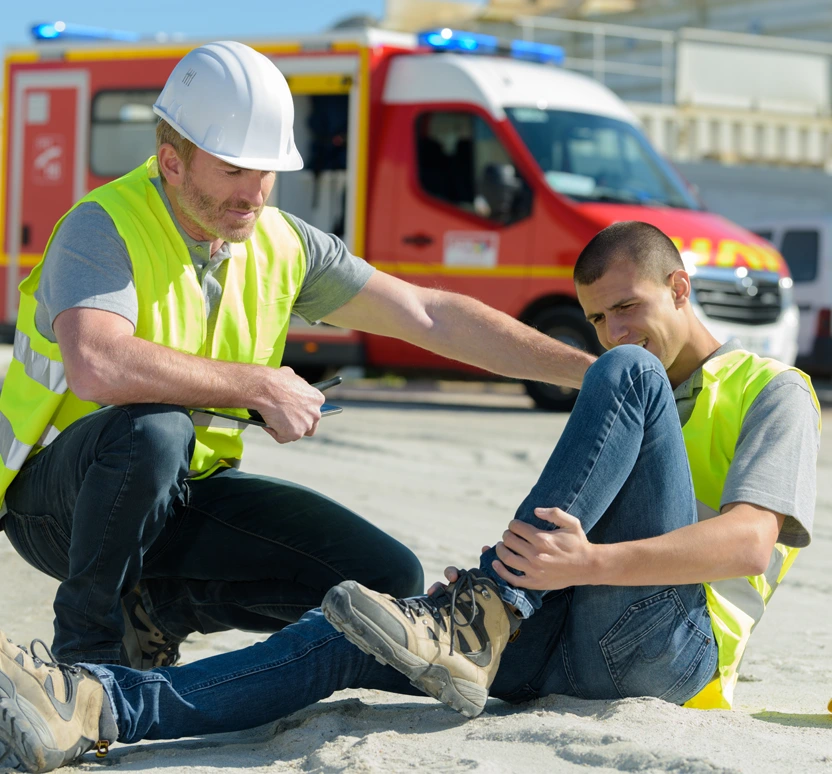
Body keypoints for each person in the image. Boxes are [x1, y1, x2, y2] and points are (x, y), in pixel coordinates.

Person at [0, 221, 819, 773]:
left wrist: (586, 561)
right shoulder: (622, 378)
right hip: (571, 630)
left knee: (629, 379)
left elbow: (749, 543)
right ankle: (102, 705)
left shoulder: (771, 388)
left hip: (673, 654)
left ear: (681, 288)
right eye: (599, 320)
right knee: (363, 625)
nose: (615, 334)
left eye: (629, 309)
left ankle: (484, 612)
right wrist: (549, 576)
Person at [0, 41, 592, 672]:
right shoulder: (104, 224)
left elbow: (430, 315)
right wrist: (257, 385)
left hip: (179, 493)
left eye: (267, 171)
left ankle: (152, 616)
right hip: (58, 506)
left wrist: (591, 371)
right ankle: (86, 664)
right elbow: (100, 363)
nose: (254, 194)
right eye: (233, 171)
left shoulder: (282, 242)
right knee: (155, 428)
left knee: (382, 576)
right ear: (172, 163)